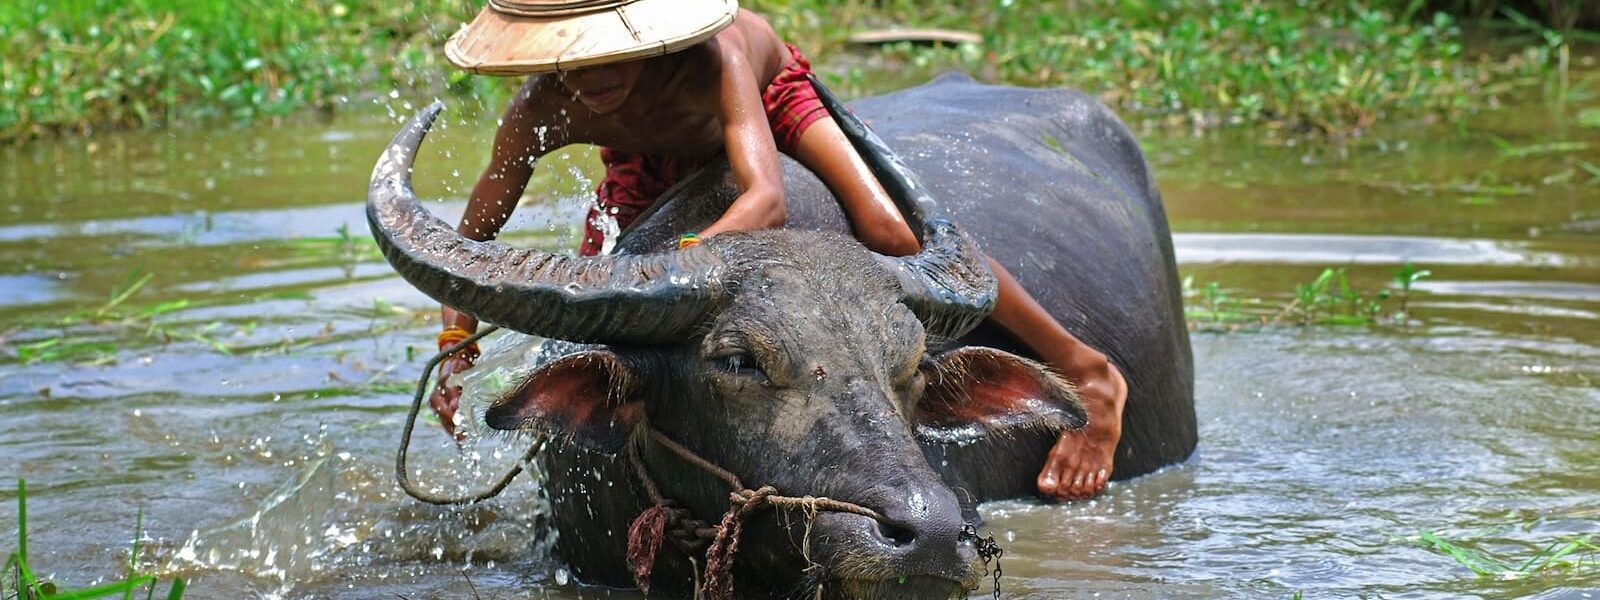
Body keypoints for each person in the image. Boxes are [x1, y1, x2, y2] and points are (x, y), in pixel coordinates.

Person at [429, 0, 1127, 500]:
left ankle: (1086, 369)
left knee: (893, 233)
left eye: (606, 49)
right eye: (568, 55)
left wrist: (685, 266)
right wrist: (456, 334)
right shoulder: (543, 108)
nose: (588, 71)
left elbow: (766, 198)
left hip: (772, 108)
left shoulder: (715, 58)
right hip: (646, 160)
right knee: (605, 314)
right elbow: (474, 239)